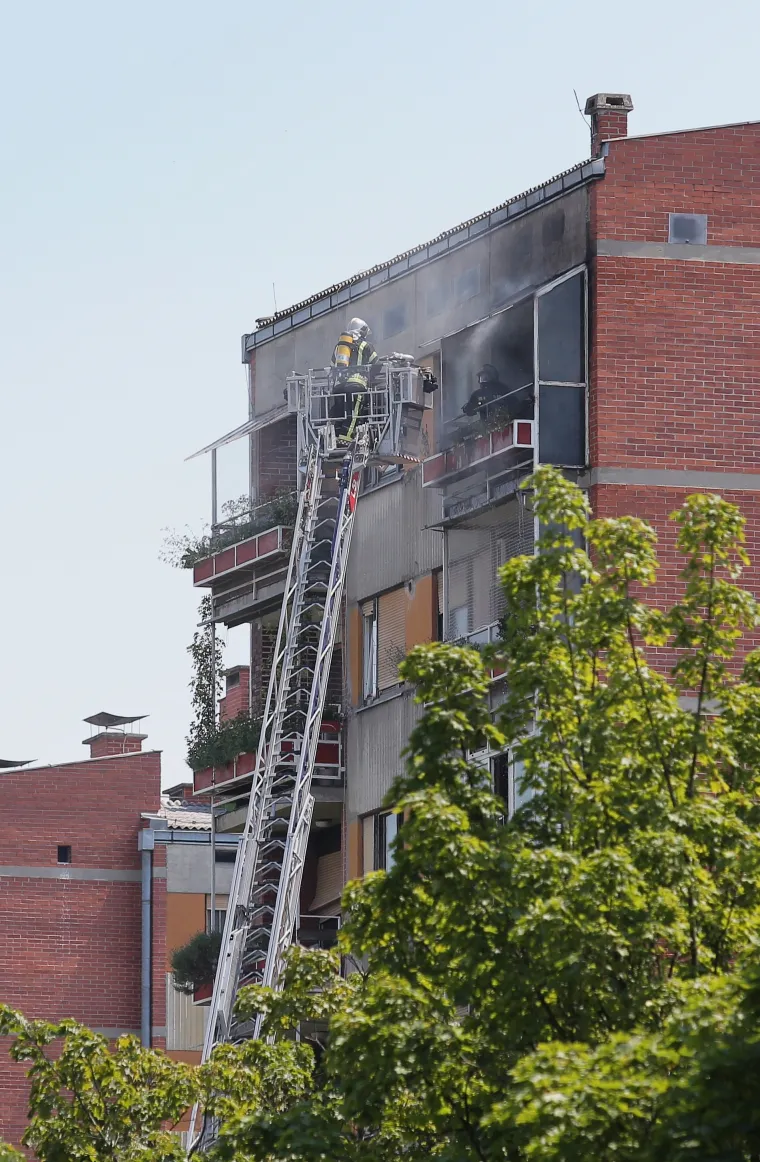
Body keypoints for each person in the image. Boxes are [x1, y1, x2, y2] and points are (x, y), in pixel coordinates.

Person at [330, 318, 379, 439]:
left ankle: (336, 437)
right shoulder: (366, 345)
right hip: (356, 385)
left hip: (338, 387)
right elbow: (376, 364)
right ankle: (346, 438)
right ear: (362, 331)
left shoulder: (340, 347)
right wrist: (370, 378)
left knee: (340, 413)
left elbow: (332, 367)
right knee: (354, 413)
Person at [462, 363, 533, 423]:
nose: (483, 379)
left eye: (485, 376)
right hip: (487, 428)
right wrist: (468, 408)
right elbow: (470, 409)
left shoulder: (503, 390)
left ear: (492, 376)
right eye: (481, 377)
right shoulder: (478, 394)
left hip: (504, 426)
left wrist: (525, 403)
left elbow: (515, 405)